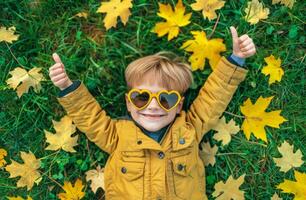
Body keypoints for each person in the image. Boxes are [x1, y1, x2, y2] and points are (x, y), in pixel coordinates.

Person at [49, 26, 256, 200]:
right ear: (129, 104)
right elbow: (90, 118)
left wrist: (236, 59)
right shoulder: (116, 136)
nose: (154, 106)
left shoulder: (190, 128)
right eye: (142, 98)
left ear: (178, 106)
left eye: (166, 99)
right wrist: (67, 86)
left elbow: (214, 98)